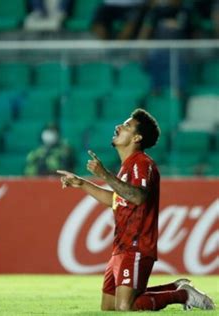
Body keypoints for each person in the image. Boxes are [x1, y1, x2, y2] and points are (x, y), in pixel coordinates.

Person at [57, 109, 215, 311]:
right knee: (110, 307)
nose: (119, 127)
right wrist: (81, 184)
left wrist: (104, 174)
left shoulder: (142, 163)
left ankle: (182, 294)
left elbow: (139, 197)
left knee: (126, 307)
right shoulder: (126, 167)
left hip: (136, 245)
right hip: (121, 246)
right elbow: (116, 200)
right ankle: (175, 287)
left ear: (137, 137)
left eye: (127, 126)